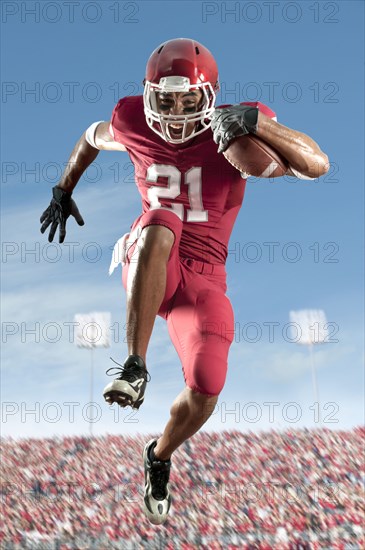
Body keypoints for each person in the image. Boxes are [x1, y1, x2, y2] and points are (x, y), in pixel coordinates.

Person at [40, 38, 329, 525]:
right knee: (160, 220)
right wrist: (63, 188)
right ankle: (134, 365)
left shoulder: (238, 124)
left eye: (188, 100)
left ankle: (159, 455)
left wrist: (260, 126)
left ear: (209, 97)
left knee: (207, 385)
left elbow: (316, 165)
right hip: (152, 260)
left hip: (204, 279)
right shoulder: (131, 119)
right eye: (166, 100)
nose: (175, 112)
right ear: (149, 95)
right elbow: (90, 138)